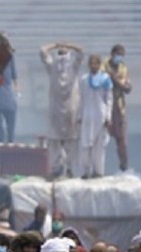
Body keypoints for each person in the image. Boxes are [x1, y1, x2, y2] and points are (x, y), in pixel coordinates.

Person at [40, 42, 84, 179]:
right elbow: (42, 51)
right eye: (60, 54)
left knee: (71, 141)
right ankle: (56, 169)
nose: (62, 56)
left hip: (71, 108)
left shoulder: (73, 67)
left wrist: (68, 45)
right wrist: (55, 45)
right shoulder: (52, 67)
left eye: (64, 54)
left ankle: (71, 169)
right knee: (55, 141)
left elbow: (81, 52)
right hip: (56, 109)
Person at [77, 54, 112, 179]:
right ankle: (85, 172)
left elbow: (108, 99)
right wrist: (79, 115)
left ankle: (98, 172)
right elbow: (81, 99)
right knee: (85, 144)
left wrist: (108, 117)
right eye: (91, 63)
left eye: (96, 63)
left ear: (99, 64)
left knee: (99, 146)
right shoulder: (83, 80)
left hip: (100, 115)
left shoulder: (105, 79)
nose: (93, 66)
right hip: (87, 115)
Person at [103, 44, 132, 172]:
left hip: (119, 107)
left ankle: (124, 166)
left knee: (122, 140)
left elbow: (127, 88)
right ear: (112, 54)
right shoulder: (103, 66)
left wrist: (114, 78)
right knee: (100, 140)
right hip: (104, 106)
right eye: (118, 55)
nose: (119, 58)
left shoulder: (123, 69)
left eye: (122, 56)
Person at [0, 56, 18, 143]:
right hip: (5, 97)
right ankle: (8, 139)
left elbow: (14, 77)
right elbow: (15, 77)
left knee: (0, 122)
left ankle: (3, 140)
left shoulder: (8, 58)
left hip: (1, 96)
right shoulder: (8, 58)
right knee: (5, 121)